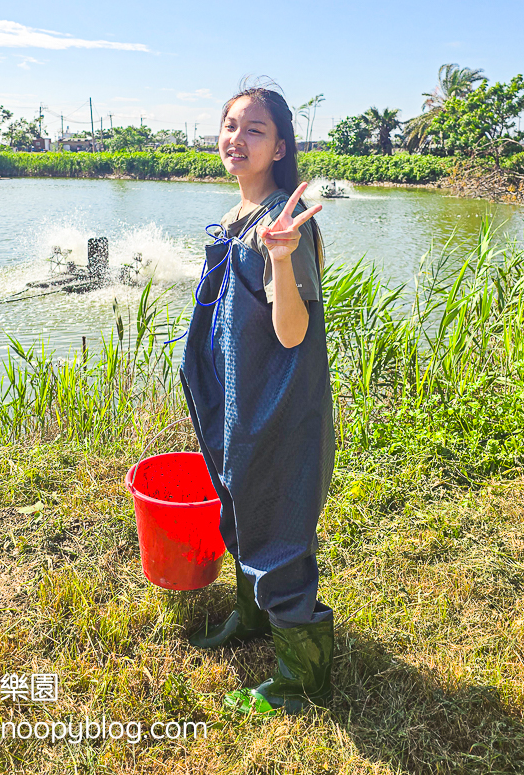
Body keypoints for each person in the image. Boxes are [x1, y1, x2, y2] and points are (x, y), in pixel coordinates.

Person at [179, 83, 336, 715]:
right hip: (236, 395)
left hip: (276, 401)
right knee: (239, 500)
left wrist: (281, 259)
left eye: (255, 130)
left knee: (277, 517)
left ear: (280, 147)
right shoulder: (239, 215)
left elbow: (293, 332)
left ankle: (303, 678)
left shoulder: (284, 225)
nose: (236, 139)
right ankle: (252, 619)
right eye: (230, 125)